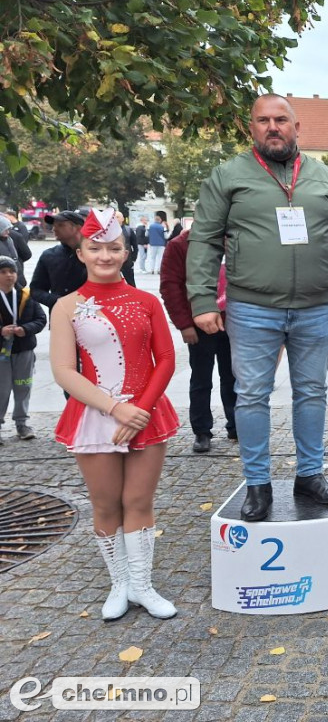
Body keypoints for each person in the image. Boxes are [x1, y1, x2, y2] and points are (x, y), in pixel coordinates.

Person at [187, 93, 328, 522]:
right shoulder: (228, 176)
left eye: (281, 120)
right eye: (263, 120)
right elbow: (204, 241)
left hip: (314, 307)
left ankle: (309, 475)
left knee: (312, 392)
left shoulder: (326, 178)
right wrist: (201, 299)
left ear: (296, 127)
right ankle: (257, 483)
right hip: (252, 308)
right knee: (251, 395)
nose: (273, 127)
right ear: (251, 128)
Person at [50, 208, 180, 620]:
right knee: (106, 505)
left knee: (138, 499)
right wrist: (114, 408)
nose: (105, 256)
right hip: (95, 416)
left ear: (126, 252)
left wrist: (139, 409)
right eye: (96, 248)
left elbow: (166, 358)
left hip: (146, 413)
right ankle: (119, 584)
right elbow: (64, 371)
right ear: (82, 253)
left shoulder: (147, 301)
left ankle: (143, 585)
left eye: (113, 248)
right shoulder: (66, 307)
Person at [160, 228, 237, 454]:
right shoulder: (179, 245)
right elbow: (170, 285)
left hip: (232, 321)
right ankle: (202, 431)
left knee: (233, 377)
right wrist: (184, 324)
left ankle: (236, 424)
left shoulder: (234, 238)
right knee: (201, 380)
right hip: (199, 323)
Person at [0, 256, 46, 442]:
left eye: (12, 271)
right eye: (3, 272)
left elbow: (41, 319)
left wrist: (25, 329)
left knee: (23, 386)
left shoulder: (26, 296)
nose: (9, 275)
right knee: (1, 389)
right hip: (1, 352)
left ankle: (22, 423)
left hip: (24, 349)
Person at [31, 210, 88, 312]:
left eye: (60, 225)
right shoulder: (49, 255)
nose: (54, 229)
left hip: (92, 318)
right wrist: (57, 300)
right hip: (59, 318)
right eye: (53, 225)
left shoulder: (95, 254)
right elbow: (36, 290)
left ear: (78, 228)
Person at [0, 216, 31, 287]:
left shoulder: (9, 240)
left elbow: (26, 254)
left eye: (9, 229)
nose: (8, 232)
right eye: (5, 230)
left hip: (17, 279)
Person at [116, 211, 138, 287]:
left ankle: (134, 296)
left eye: (118, 217)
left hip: (127, 261)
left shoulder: (128, 230)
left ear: (122, 219)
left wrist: (133, 258)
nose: (116, 219)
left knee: (130, 281)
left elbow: (135, 245)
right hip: (114, 260)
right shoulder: (108, 231)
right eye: (114, 217)